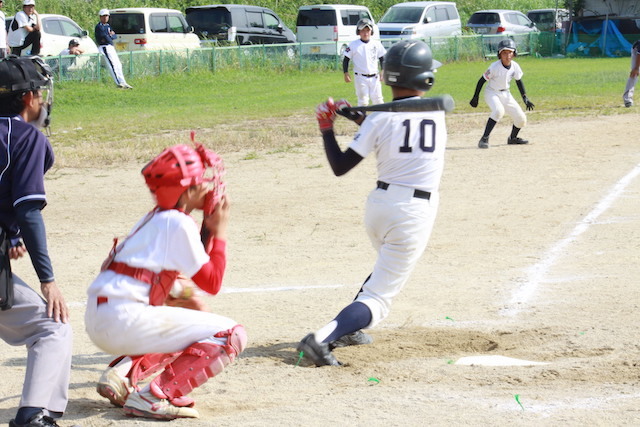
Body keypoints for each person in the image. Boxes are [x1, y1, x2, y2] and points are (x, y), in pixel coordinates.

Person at [297, 40, 447, 367]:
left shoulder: (379, 119)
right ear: (425, 79)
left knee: (382, 272)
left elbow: (341, 165)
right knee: (379, 296)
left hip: (379, 207)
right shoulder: (435, 110)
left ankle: (350, 330)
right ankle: (322, 338)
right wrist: (358, 117)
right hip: (412, 214)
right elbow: (401, 126)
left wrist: (328, 128)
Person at [85, 143, 247, 420]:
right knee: (230, 334)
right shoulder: (177, 222)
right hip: (124, 319)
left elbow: (175, 281)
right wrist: (220, 231)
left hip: (103, 318)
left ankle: (124, 373)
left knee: (189, 321)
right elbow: (213, 282)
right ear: (186, 189)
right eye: (201, 181)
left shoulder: (155, 219)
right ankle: (153, 396)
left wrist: (207, 229)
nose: (208, 186)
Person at [0, 56, 72, 427]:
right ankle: (33, 415)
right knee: (53, 326)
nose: (43, 99)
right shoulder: (26, 137)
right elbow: (28, 210)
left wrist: (8, 234)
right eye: (40, 92)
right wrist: (48, 280)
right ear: (28, 98)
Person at [469, 39, 535, 149]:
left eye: (510, 52)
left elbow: (518, 81)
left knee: (521, 119)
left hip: (506, 93)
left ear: (514, 53)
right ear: (499, 54)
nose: (507, 55)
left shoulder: (515, 66)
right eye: (504, 53)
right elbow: (482, 80)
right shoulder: (494, 67)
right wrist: (475, 97)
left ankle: (513, 138)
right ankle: (484, 138)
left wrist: (525, 98)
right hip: (492, 92)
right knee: (498, 111)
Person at [343, 18, 386, 106]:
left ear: (371, 31)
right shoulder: (353, 44)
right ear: (358, 32)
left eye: (368, 30)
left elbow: (382, 58)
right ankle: (363, 119)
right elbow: (346, 59)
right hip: (360, 77)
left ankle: (379, 119)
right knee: (363, 101)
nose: (365, 33)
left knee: (378, 100)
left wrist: (383, 70)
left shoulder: (376, 44)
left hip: (375, 76)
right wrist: (346, 73)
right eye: (363, 31)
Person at [94, 9, 132, 89]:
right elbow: (105, 38)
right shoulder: (99, 27)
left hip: (110, 46)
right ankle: (119, 83)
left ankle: (123, 81)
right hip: (104, 47)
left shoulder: (107, 26)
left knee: (118, 64)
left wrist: (110, 36)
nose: (105, 18)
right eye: (103, 16)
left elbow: (114, 36)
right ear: (100, 17)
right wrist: (110, 36)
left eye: (107, 16)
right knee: (112, 65)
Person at [622, 40, 640, 108]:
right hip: (637, 50)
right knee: (634, 74)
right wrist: (636, 68)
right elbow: (639, 54)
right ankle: (627, 99)